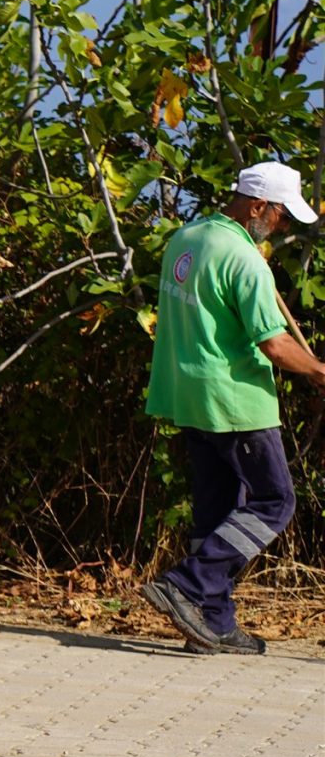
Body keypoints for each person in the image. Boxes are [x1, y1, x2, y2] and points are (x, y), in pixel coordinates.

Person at [140, 160, 325, 656]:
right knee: (274, 502)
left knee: (215, 511)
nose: (284, 227)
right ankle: (187, 584)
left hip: (188, 395)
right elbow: (275, 346)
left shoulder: (187, 237)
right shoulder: (244, 259)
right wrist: (320, 372)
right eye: (283, 216)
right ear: (258, 206)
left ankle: (212, 623)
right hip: (234, 400)